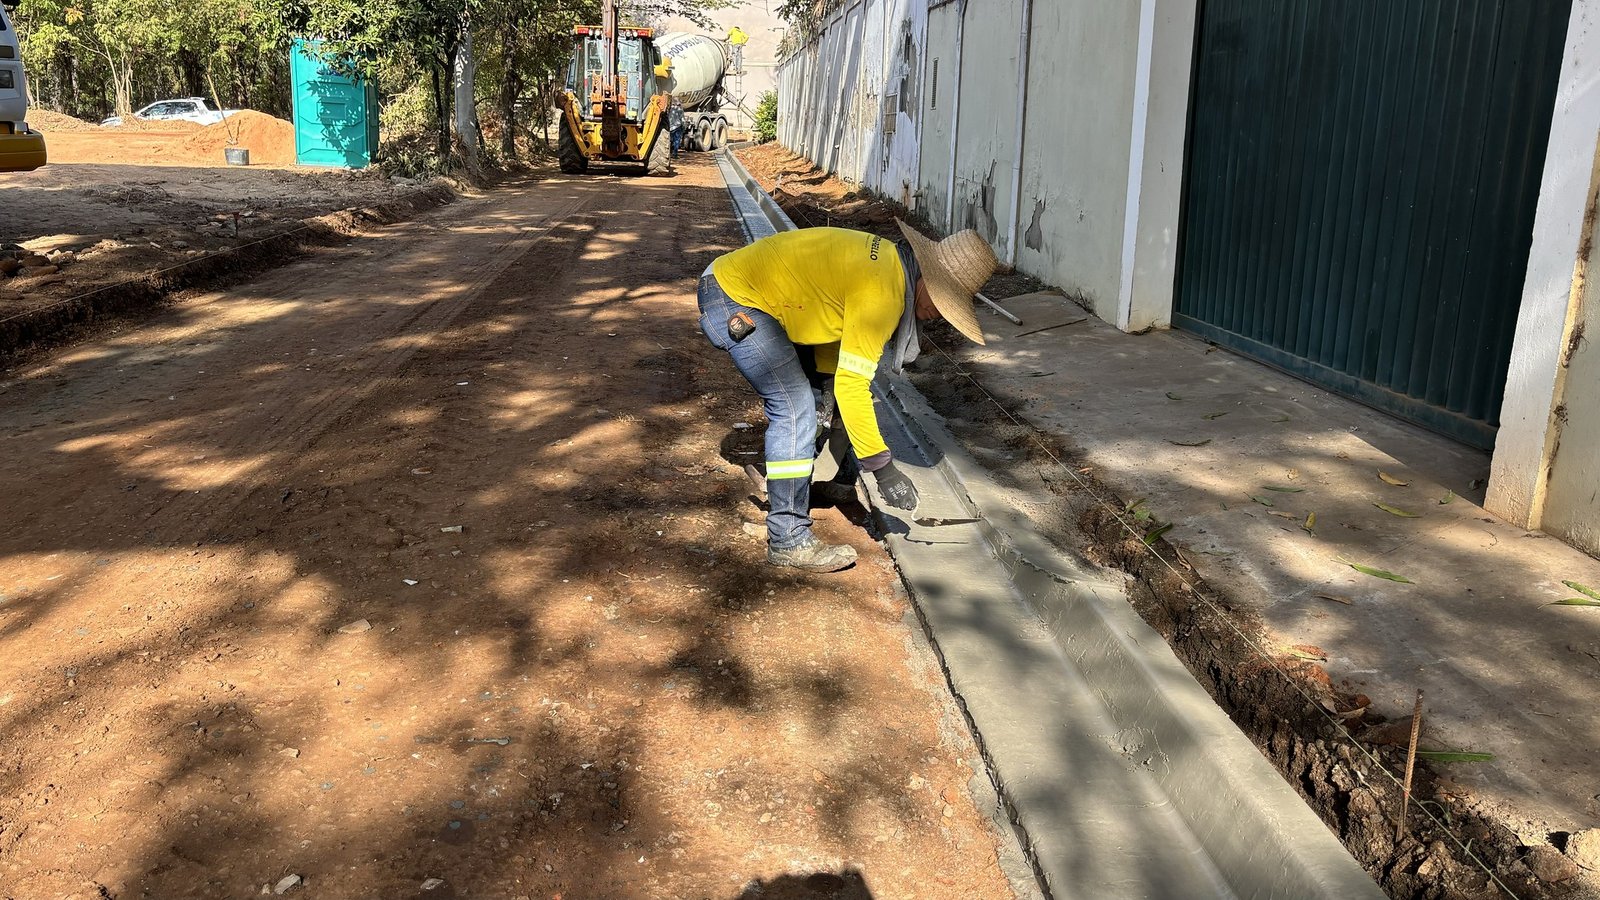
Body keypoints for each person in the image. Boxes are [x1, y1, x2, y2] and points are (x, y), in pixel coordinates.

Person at [697, 223, 998, 572]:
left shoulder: (889, 264)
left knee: (821, 400)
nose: (942, 315)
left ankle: (818, 485)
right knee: (795, 409)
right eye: (945, 303)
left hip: (744, 287)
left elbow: (830, 321)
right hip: (735, 297)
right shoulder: (883, 295)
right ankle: (788, 539)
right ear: (928, 279)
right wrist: (883, 470)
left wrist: (826, 383)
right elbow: (853, 385)